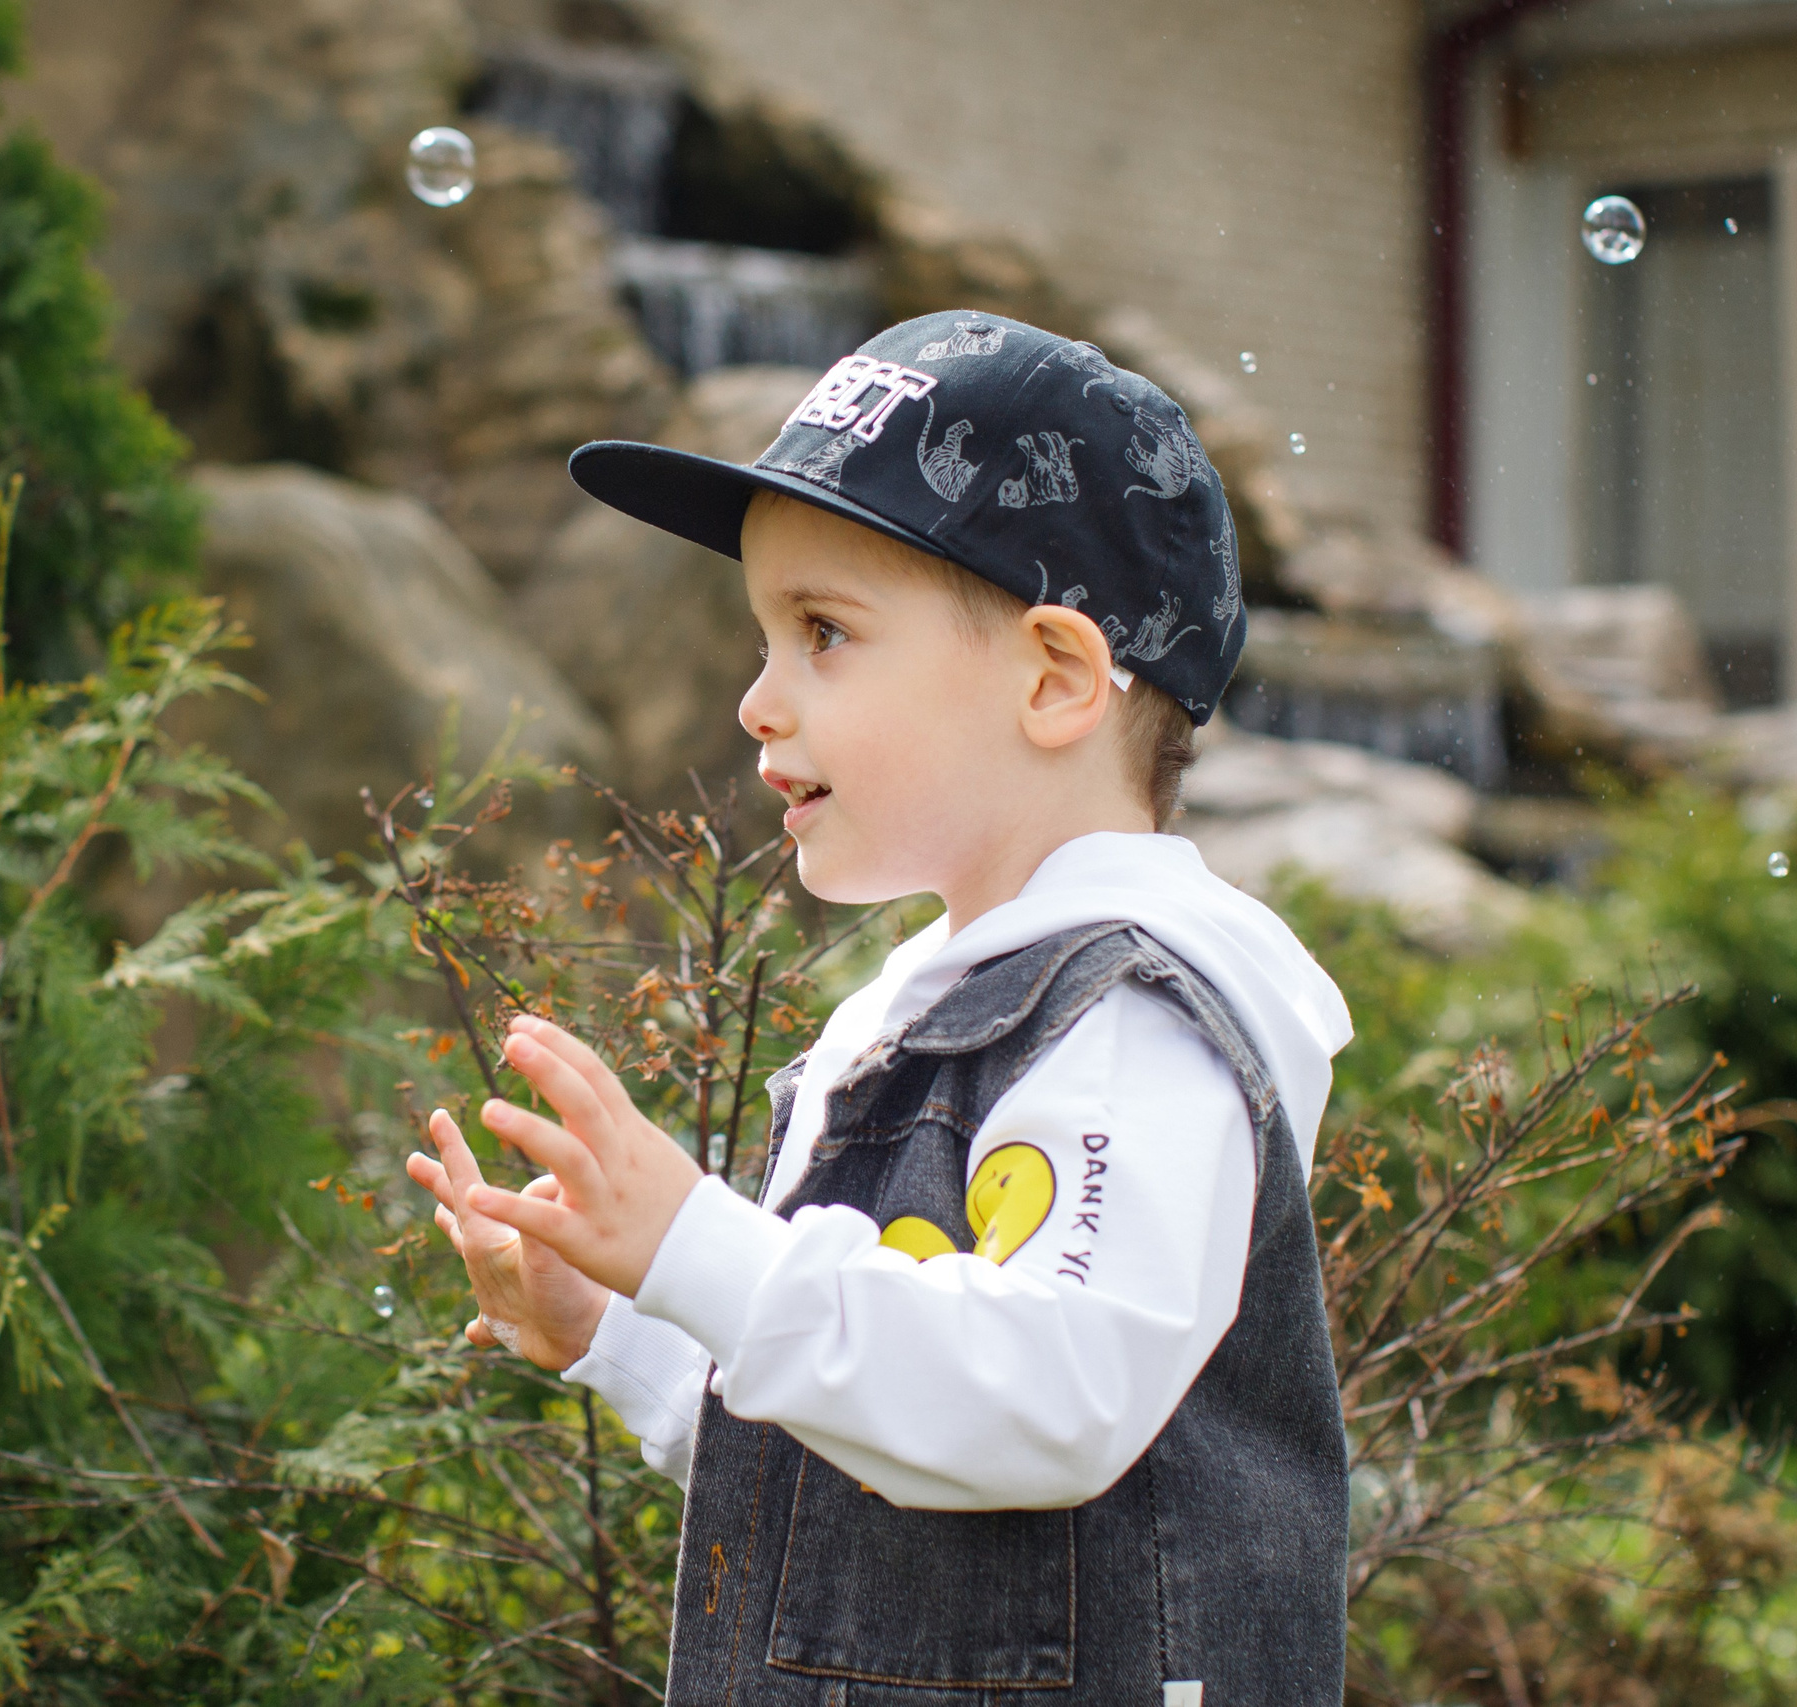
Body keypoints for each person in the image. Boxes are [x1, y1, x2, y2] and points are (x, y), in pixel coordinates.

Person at [406, 309, 1355, 1707]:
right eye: (765, 639)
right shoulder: (907, 1015)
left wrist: (700, 1246)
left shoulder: (1130, 1020)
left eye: (825, 636)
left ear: (1054, 678)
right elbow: (846, 1458)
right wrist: (632, 1321)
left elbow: (1052, 1395)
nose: (755, 703)